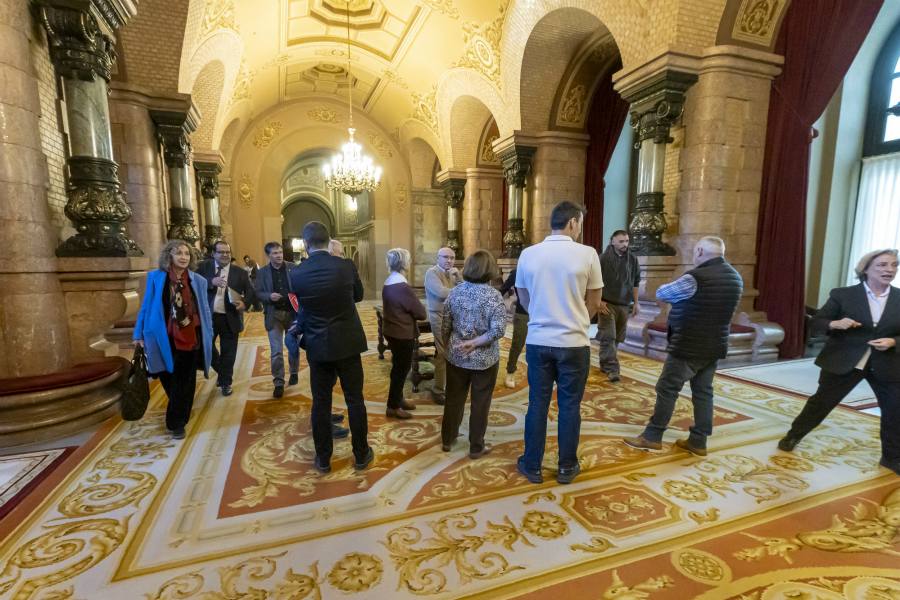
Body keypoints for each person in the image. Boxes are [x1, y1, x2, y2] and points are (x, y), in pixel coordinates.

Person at [778, 249, 899, 476]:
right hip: (845, 359)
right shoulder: (843, 295)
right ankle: (794, 435)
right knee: (821, 403)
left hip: (887, 363)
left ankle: (892, 458)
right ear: (865, 269)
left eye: (894, 265)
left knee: (895, 410)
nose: (889, 270)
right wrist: (835, 324)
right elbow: (817, 322)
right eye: (882, 265)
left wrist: (894, 341)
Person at [624, 236, 743, 457]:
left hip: (688, 344)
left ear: (699, 251)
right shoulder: (735, 277)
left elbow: (662, 293)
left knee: (667, 388)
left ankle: (652, 436)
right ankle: (698, 441)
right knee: (703, 392)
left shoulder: (695, 278)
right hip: (715, 345)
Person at [515, 201, 604, 485]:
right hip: (574, 343)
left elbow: (523, 298)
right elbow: (595, 302)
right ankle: (566, 467)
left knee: (537, 404)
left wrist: (542, 314)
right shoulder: (588, 254)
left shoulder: (528, 254)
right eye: (580, 225)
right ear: (573, 223)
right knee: (569, 406)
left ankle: (532, 465)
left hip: (538, 340)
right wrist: (576, 319)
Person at [290, 221, 373, 473]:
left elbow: (303, 308)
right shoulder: (345, 266)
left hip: (318, 345)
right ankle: (361, 454)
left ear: (306, 244)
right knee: (355, 400)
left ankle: (323, 459)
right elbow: (358, 296)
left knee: (321, 402)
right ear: (329, 241)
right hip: (348, 343)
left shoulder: (296, 273)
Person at [133, 240, 213, 439]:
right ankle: (180, 408)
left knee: (185, 379)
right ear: (169, 255)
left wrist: (209, 333)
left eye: (187, 253)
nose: (183, 257)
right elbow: (145, 306)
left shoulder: (198, 281)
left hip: (190, 335)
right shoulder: (155, 278)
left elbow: (204, 309)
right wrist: (138, 333)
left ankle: (176, 423)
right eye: (179, 253)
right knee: (167, 377)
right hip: (161, 336)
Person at [440, 250, 507, 458]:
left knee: (453, 398)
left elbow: (445, 325)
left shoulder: (455, 292)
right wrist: (475, 343)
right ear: (490, 270)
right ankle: (476, 446)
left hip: (456, 354)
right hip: (484, 359)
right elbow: (498, 330)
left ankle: (448, 439)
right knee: (480, 402)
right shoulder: (493, 296)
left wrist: (449, 345)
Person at [197, 240, 255, 396]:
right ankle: (222, 372)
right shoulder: (204, 267)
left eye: (227, 252)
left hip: (230, 317)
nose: (225, 255)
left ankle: (226, 382)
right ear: (213, 253)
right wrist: (211, 281)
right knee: (206, 347)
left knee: (229, 352)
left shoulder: (240, 272)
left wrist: (244, 303)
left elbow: (251, 291)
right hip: (208, 318)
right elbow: (193, 283)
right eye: (221, 252)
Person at [381, 248, 426, 419]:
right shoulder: (401, 286)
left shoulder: (389, 282)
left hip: (392, 331)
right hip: (402, 333)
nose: (410, 262)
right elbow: (421, 313)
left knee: (398, 368)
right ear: (403, 263)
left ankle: (398, 399)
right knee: (401, 370)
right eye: (408, 259)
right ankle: (393, 406)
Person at [255, 242, 300, 398]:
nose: (279, 255)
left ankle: (294, 372)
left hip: (292, 314)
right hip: (274, 315)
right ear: (268, 255)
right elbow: (258, 292)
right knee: (276, 351)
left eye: (280, 252)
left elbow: (301, 287)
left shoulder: (293, 268)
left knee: (293, 346)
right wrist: (269, 296)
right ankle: (279, 382)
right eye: (275, 253)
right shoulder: (262, 272)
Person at [595, 230, 641, 382]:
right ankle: (612, 369)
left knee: (617, 338)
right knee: (609, 336)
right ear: (612, 241)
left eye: (627, 241)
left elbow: (636, 282)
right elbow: (594, 281)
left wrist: (636, 302)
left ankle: (605, 363)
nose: (625, 244)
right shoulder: (602, 259)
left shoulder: (632, 259)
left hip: (624, 304)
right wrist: (598, 300)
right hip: (607, 304)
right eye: (621, 241)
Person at [424, 247, 462, 405]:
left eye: (452, 258)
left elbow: (466, 289)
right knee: (443, 352)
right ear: (438, 258)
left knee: (454, 350)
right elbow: (441, 293)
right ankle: (438, 390)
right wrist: (460, 289)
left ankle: (450, 384)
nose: (449, 260)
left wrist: (458, 277)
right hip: (438, 316)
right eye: (446, 257)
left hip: (454, 317)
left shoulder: (454, 273)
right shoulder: (431, 273)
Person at [498, 268, 528, 388]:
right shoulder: (517, 272)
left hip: (542, 313)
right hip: (523, 313)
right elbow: (503, 289)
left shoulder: (544, 269)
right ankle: (510, 372)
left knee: (540, 345)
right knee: (517, 344)